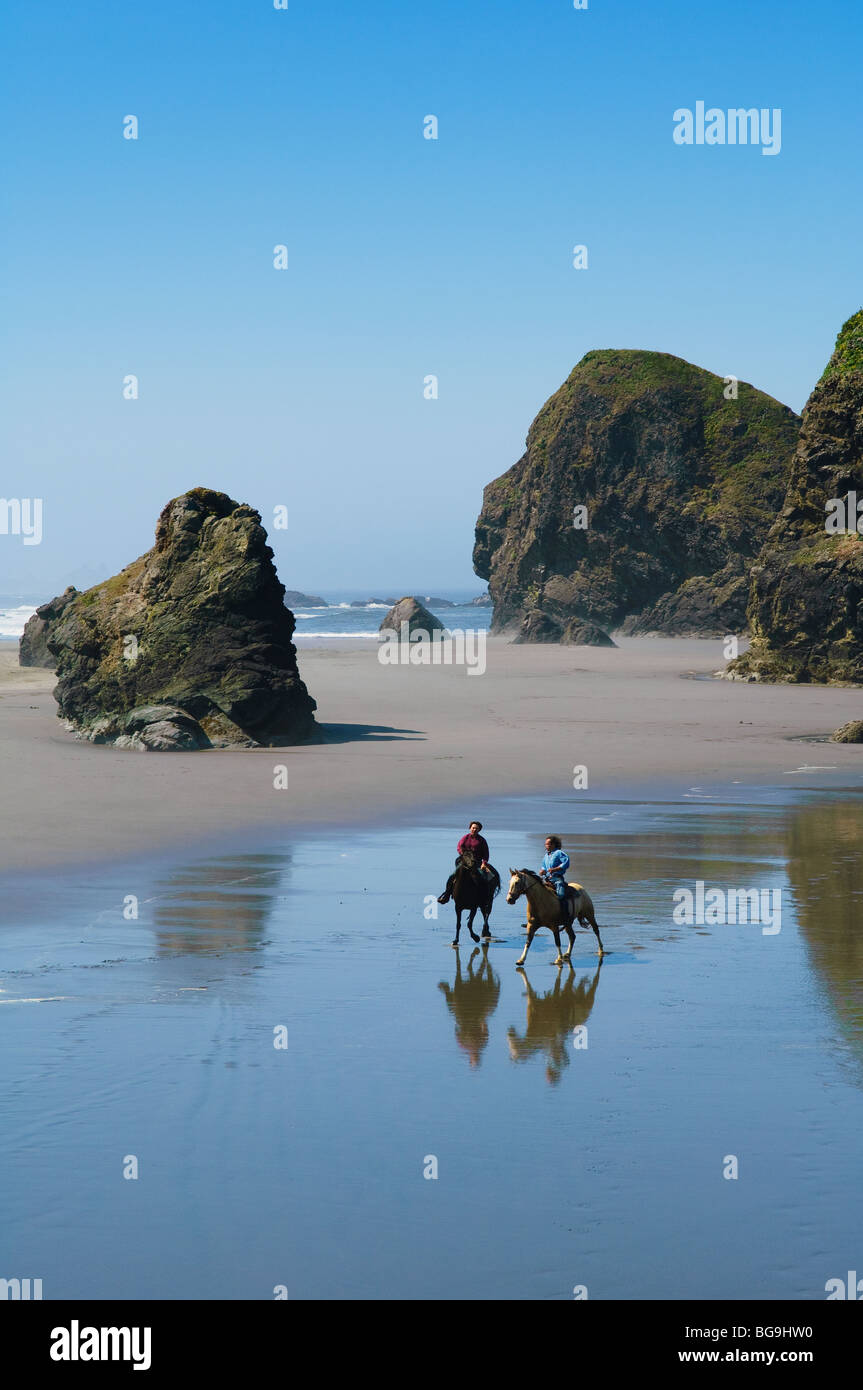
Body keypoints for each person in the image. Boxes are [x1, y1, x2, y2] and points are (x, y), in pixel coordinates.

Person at [437, 821, 492, 903]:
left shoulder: (482, 840)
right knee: (452, 876)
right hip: (464, 861)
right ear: (470, 828)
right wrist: (464, 855)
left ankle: (484, 897)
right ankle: (446, 896)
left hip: (476, 862)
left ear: (479, 830)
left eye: (476, 828)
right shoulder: (465, 838)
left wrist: (484, 863)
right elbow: (459, 847)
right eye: (473, 828)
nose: (474, 829)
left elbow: (486, 854)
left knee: (486, 878)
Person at [540, 835, 570, 911]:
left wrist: (555, 869)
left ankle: (565, 914)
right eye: (545, 844)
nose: (546, 846)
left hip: (557, 879)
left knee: (560, 896)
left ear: (553, 844)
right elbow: (543, 866)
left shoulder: (559, 853)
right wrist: (542, 871)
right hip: (547, 880)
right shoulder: (546, 855)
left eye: (548, 844)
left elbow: (566, 862)